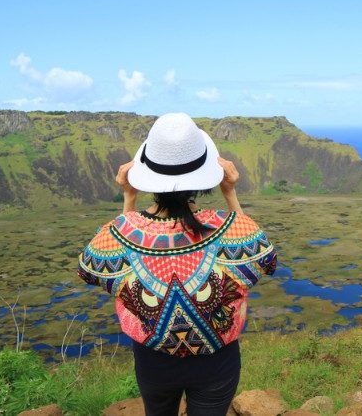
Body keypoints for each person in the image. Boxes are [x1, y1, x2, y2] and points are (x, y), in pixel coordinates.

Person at [77, 113, 277, 416]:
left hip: (153, 361)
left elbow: (91, 269)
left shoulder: (120, 233)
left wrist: (128, 199)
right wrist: (230, 193)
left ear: (147, 176)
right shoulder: (229, 228)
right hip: (217, 360)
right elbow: (263, 257)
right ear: (205, 176)